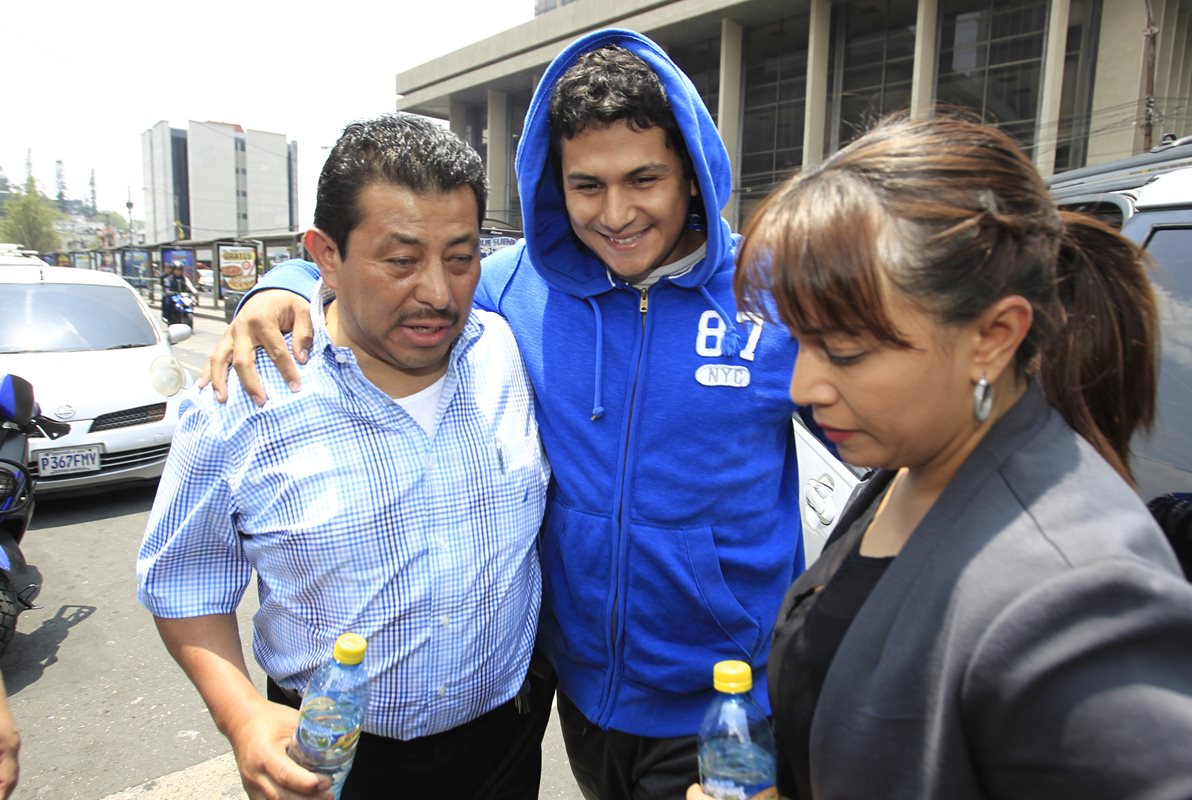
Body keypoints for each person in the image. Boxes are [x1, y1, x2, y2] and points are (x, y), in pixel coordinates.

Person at [204, 29, 803, 799]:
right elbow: (394, 272)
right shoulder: (515, 286)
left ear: (691, 174)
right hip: (581, 699)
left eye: (643, 179)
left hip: (725, 707)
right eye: (587, 185)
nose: (616, 213)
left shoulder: (772, 295)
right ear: (554, 186)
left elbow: (886, 457)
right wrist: (279, 286)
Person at [690, 113, 1192, 800]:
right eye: (801, 341)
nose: (803, 387)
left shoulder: (1074, 591)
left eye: (845, 351)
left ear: (992, 337)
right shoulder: (915, 460)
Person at [137, 113, 553, 800]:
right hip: (332, 763)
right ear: (325, 255)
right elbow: (183, 584)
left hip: (504, 748)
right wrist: (241, 716)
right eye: (400, 260)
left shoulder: (509, 351)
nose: (439, 293)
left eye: (461, 256)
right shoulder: (242, 398)